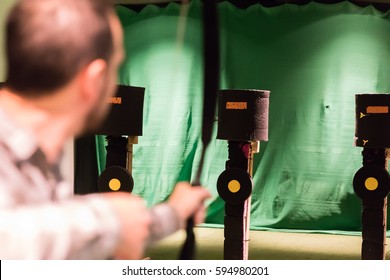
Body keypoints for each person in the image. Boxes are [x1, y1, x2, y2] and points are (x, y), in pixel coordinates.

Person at [0, 0, 210, 259]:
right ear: (94, 80)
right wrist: (107, 221)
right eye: (115, 68)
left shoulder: (39, 155)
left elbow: (47, 237)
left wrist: (173, 215)